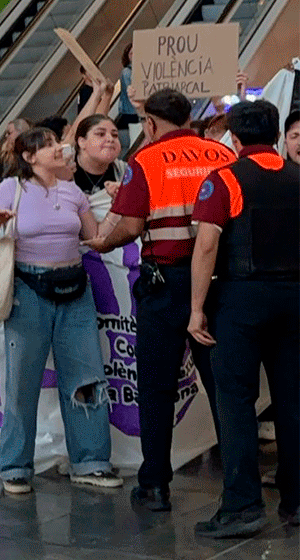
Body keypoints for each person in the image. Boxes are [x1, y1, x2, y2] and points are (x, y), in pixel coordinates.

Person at [83, 88, 236, 512]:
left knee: (155, 385)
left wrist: (100, 243)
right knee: (223, 385)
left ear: (150, 124)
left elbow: (130, 226)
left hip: (163, 285)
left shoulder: (146, 161)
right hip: (218, 284)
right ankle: (238, 486)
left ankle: (155, 485)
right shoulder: (221, 156)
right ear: (188, 117)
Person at [0, 127, 123, 496]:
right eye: (50, 145)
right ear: (29, 157)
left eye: (59, 143)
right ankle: (14, 465)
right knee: (22, 380)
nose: (60, 148)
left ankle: (91, 461)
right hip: (28, 291)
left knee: (85, 377)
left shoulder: (73, 192)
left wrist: (119, 207)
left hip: (75, 290)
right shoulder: (12, 188)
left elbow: (97, 239)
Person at [188, 100, 299, 537]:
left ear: (233, 140)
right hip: (294, 300)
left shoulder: (225, 180)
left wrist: (197, 308)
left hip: (241, 300)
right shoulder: (297, 177)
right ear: (275, 135)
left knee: (235, 402)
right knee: (293, 403)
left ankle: (242, 506)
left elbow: (208, 244)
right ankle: (295, 500)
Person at [73, 114, 123, 196]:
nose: (110, 139)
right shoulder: (60, 173)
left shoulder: (126, 172)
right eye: (101, 134)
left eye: (114, 135)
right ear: (82, 142)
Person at [117, 44, 138, 150]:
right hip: (130, 113)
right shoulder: (127, 72)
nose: (133, 56)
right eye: (131, 53)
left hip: (133, 112)